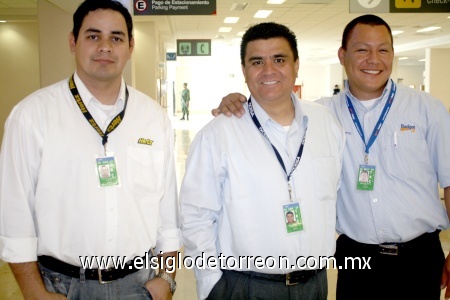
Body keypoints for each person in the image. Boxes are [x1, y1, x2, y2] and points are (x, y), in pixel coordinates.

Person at [212, 14, 450, 300]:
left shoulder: (427, 110)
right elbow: (274, 106)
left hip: (420, 258)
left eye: (383, 50)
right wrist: (236, 101)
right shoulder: (321, 115)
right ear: (342, 55)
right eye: (362, 50)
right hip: (356, 260)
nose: (373, 59)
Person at [0, 1, 180, 299]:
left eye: (117, 38)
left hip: (139, 284)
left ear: (131, 46)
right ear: (73, 42)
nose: (106, 47)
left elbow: (168, 214)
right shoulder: (32, 115)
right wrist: (34, 293)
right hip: (61, 286)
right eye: (93, 36)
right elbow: (15, 214)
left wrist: (167, 279)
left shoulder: (153, 118)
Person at [180, 22, 345, 300]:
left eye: (279, 59)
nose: (269, 70)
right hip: (246, 286)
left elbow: (336, 190)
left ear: (296, 65)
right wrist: (211, 284)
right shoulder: (219, 134)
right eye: (257, 61)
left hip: (314, 284)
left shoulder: (325, 123)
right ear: (244, 71)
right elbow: (195, 216)